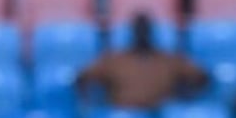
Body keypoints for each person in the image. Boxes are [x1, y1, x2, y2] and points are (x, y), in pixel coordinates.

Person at [75, 13, 209, 109]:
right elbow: (82, 77)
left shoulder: (168, 60)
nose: (142, 33)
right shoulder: (114, 60)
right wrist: (93, 102)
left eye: (145, 30)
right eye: (138, 30)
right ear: (132, 32)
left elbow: (203, 76)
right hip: (122, 117)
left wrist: (185, 95)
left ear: (151, 32)